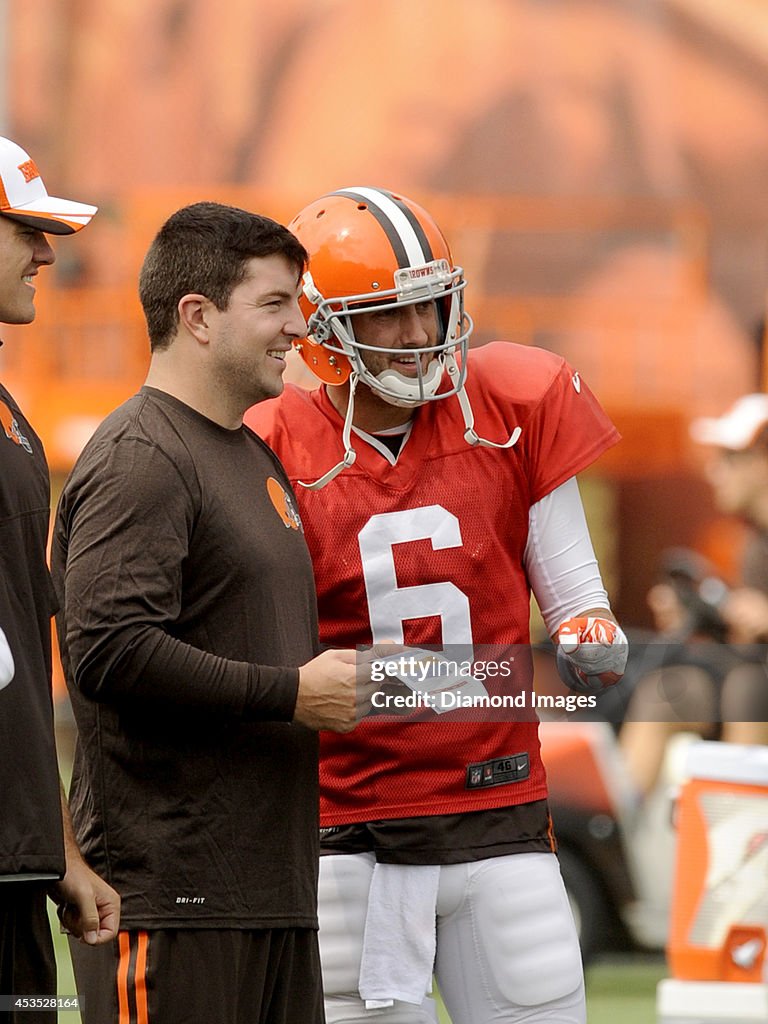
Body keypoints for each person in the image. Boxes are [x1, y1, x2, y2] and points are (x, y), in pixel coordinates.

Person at [246, 186, 628, 1024]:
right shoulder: (270, 441)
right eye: (388, 314)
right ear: (325, 331)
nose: (421, 335)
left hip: (499, 809)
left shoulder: (512, 404)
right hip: (352, 826)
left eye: (431, 305)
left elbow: (579, 601)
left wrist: (587, 626)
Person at [51, 202, 375, 1024]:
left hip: (270, 894)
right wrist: (290, 694)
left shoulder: (247, 450)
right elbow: (110, 650)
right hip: (171, 897)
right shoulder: (142, 455)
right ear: (196, 316)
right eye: (274, 304)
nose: (298, 328)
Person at [0, 135, 120, 1023]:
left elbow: (17, 660)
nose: (46, 253)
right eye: (25, 229)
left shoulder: (8, 412)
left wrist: (59, 849)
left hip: (16, 870)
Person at [621, 394, 768, 797]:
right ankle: (609, 838)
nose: (713, 469)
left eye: (728, 457)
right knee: (667, 692)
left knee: (748, 685)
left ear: (762, 459)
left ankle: (738, 840)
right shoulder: (753, 545)